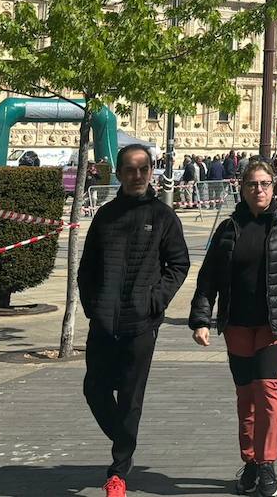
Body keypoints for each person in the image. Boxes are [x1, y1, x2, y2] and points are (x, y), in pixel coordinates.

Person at [190, 160, 277, 497]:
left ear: (273, 188)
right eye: (252, 184)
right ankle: (249, 461)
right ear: (243, 188)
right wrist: (201, 319)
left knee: (267, 389)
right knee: (245, 396)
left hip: (275, 321)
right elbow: (209, 277)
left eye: (264, 184)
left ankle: (267, 462)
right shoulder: (228, 228)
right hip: (236, 322)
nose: (259, 190)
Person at [79, 144, 190, 497]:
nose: (138, 175)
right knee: (94, 389)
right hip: (103, 320)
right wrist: (91, 305)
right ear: (120, 172)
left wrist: (154, 301)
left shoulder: (162, 216)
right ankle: (125, 436)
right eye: (130, 169)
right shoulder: (106, 216)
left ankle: (118, 471)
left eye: (144, 169)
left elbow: (179, 264)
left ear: (152, 171)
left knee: (130, 397)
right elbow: (87, 267)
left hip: (140, 323)